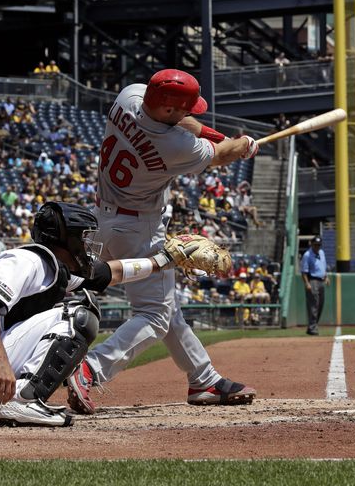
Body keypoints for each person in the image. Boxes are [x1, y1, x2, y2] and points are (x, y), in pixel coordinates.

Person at [65, 68, 259, 416]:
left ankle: (204, 378)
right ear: (169, 110)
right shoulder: (175, 146)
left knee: (166, 307)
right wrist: (243, 145)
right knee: (155, 314)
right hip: (139, 229)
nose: (188, 114)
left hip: (100, 221)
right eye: (184, 108)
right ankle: (90, 368)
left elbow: (181, 122)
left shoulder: (130, 96)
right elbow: (221, 153)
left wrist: (220, 135)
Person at [0, 201, 194, 427]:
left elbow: (112, 272)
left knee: (76, 308)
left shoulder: (52, 268)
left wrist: (163, 260)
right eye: (81, 238)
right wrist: (0, 361)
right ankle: (25, 399)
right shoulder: (25, 260)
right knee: (80, 314)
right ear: (64, 239)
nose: (86, 245)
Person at [301, 236, 328, 336]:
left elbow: (323, 266)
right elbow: (304, 272)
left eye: (319, 245)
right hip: (312, 280)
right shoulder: (307, 255)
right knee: (313, 305)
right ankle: (312, 327)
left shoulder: (321, 252)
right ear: (311, 244)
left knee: (320, 304)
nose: (317, 247)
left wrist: (326, 276)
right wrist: (307, 283)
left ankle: (312, 326)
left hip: (321, 280)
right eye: (315, 245)